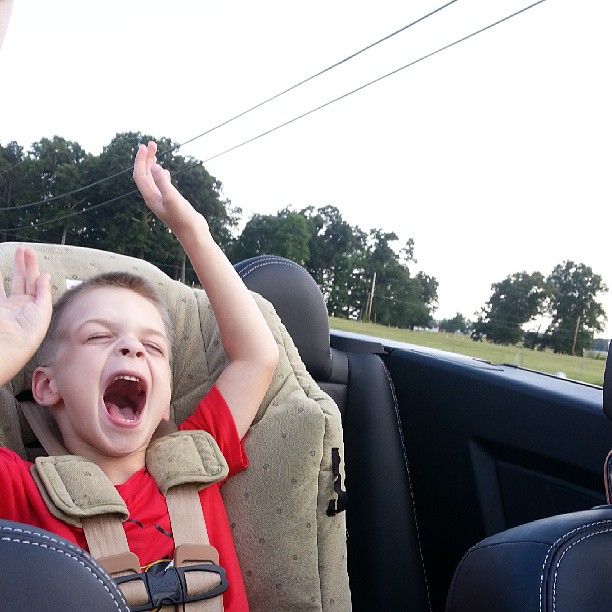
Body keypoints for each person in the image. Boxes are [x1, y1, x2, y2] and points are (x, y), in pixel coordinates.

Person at [0, 141, 279, 611]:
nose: (131, 347)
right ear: (46, 386)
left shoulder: (197, 460)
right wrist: (11, 347)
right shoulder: (20, 489)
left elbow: (257, 357)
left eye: (153, 346)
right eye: (98, 336)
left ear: (165, 401)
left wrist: (192, 231)